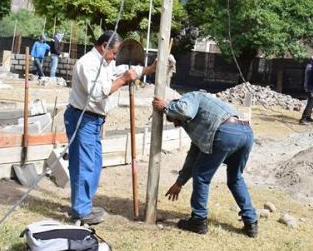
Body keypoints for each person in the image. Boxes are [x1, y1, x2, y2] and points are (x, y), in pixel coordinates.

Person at [64, 31, 155, 224]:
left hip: (95, 121)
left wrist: (148, 70)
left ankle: (84, 206)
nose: (115, 57)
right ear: (104, 46)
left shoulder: (106, 63)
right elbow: (97, 92)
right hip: (82, 119)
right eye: (114, 52)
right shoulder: (87, 64)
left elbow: (123, 70)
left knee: (94, 166)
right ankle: (80, 212)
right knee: (83, 166)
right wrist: (123, 80)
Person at [153, 91, 258, 238]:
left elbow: (184, 110)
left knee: (201, 176)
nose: (177, 125)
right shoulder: (204, 124)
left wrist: (166, 106)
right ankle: (251, 222)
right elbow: (193, 156)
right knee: (235, 178)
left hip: (225, 131)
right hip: (246, 132)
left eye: (175, 120)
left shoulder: (192, 98)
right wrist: (179, 183)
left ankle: (198, 220)